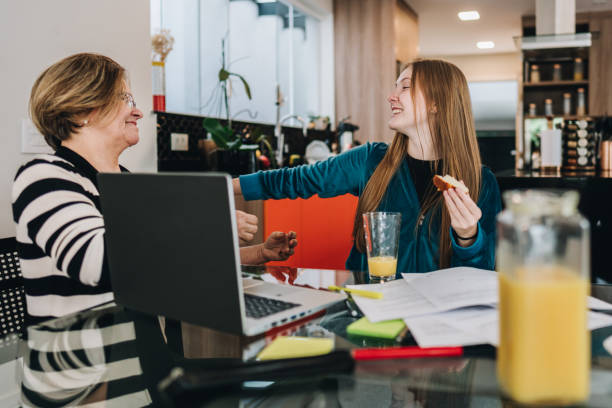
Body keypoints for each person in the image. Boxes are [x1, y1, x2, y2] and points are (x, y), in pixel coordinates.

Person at [12, 53, 296, 323]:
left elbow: (162, 258)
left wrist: (257, 255)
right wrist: (209, 224)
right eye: (124, 98)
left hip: (136, 351)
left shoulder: (124, 181)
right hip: (79, 364)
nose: (136, 111)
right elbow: (103, 264)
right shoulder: (44, 176)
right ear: (82, 111)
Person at [234, 59, 501, 274]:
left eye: (405, 87)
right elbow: (295, 180)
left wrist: (468, 237)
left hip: (440, 322)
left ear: (437, 103)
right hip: (372, 309)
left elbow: (483, 275)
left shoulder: (481, 183)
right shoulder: (370, 160)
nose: (391, 96)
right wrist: (222, 188)